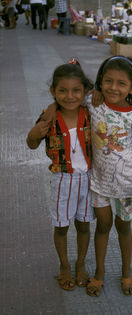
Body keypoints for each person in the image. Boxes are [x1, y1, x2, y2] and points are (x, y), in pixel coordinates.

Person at [43, 56, 132, 297]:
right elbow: (65, 100)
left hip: (127, 187)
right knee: (102, 227)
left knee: (124, 228)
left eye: (121, 83)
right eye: (108, 81)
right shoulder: (93, 105)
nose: (114, 88)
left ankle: (126, 272)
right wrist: (51, 108)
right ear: (100, 82)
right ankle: (99, 273)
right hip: (99, 184)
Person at [26, 60, 95, 291]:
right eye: (62, 90)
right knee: (62, 227)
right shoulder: (48, 117)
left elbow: (104, 97)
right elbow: (32, 144)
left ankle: (81, 263)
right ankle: (64, 265)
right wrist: (34, 133)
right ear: (53, 92)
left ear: (85, 91)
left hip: (88, 180)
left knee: (84, 225)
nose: (70, 96)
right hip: (63, 180)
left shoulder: (90, 113)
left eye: (76, 90)